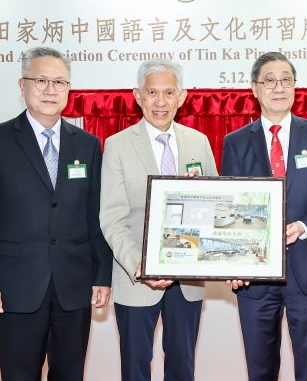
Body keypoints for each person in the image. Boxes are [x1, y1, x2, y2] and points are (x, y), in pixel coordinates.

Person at [0, 46, 113, 381]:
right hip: (14, 289)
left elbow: (94, 213)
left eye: (60, 82)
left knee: (70, 374)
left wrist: (102, 274)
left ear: (69, 88)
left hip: (74, 286)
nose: (51, 90)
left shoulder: (86, 144)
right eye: (41, 80)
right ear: (21, 85)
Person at [221, 52, 307, 381]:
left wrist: (306, 226)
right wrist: (233, 264)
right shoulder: (235, 142)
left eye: (286, 79)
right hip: (254, 277)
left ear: (295, 86)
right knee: (260, 369)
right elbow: (230, 207)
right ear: (254, 88)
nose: (278, 87)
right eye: (269, 80)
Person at [99, 58, 218, 380]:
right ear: (138, 95)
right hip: (137, 278)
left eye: (169, 93)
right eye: (152, 93)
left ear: (182, 96)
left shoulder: (198, 141)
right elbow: (112, 217)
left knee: (182, 366)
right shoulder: (117, 145)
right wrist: (139, 266)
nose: (161, 102)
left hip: (188, 280)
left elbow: (215, 206)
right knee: (135, 367)